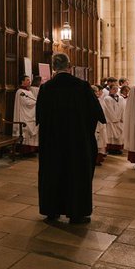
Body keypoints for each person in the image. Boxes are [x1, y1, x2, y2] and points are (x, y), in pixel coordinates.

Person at [35, 52, 105, 223]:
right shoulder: (82, 86)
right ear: (69, 66)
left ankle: (52, 211)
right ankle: (77, 213)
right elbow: (97, 113)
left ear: (54, 67)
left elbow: (39, 116)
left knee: (53, 172)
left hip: (53, 142)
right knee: (76, 174)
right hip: (77, 141)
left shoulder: (46, 88)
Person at [13, 74, 39, 155]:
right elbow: (27, 102)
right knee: (26, 131)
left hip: (30, 114)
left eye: (29, 80)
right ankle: (24, 150)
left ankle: (32, 150)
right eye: (27, 80)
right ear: (22, 82)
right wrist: (36, 102)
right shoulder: (20, 92)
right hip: (24, 115)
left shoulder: (29, 91)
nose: (29, 81)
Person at [101, 83, 125, 154]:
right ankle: (111, 149)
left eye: (116, 89)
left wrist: (122, 117)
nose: (115, 90)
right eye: (113, 89)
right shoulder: (107, 99)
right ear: (110, 90)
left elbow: (123, 108)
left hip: (119, 120)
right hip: (111, 120)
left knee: (119, 136)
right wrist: (114, 119)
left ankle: (118, 149)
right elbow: (108, 110)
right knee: (111, 135)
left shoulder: (121, 98)